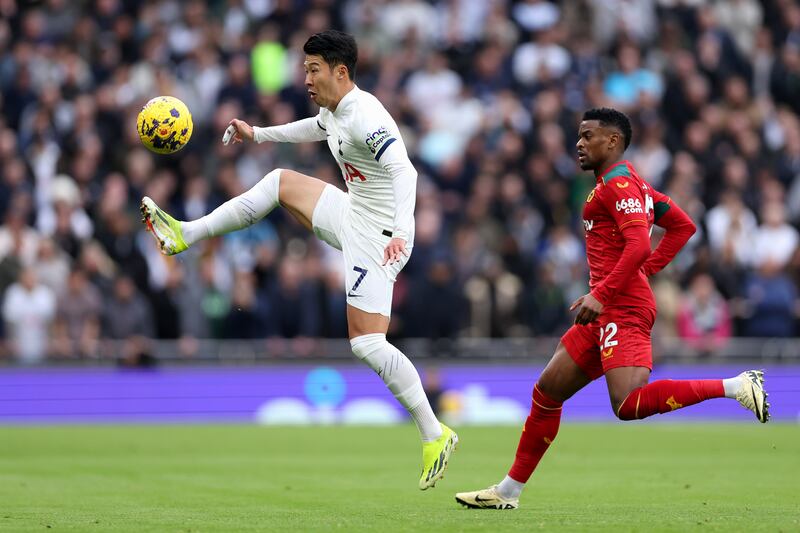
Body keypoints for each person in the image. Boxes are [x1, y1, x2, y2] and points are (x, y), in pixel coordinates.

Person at [140, 30, 457, 490]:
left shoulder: (367, 116)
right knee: (278, 182)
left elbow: (403, 170)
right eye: (303, 69)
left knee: (366, 344)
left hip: (380, 235)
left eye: (313, 69)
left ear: (339, 71)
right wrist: (259, 133)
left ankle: (435, 433)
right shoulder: (336, 111)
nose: (305, 78)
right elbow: (317, 127)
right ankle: (186, 234)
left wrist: (404, 231)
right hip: (354, 212)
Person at [455, 108, 769, 510]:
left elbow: (640, 244)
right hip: (608, 305)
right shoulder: (628, 183)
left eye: (588, 136)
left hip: (620, 308)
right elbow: (683, 226)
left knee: (628, 405)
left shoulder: (619, 184)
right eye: (579, 136)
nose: (579, 144)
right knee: (547, 392)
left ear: (613, 141)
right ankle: (508, 492)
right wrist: (643, 273)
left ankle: (737, 386)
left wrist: (607, 291)